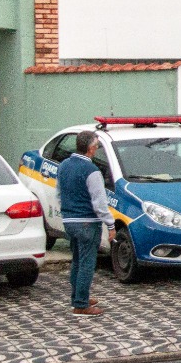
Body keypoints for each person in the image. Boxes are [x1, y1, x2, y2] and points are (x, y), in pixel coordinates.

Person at [57, 130, 114, 315]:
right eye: (96, 146)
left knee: (76, 261)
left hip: (69, 220)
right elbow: (99, 203)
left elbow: (59, 193)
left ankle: (77, 296)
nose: (97, 149)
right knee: (87, 263)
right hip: (87, 222)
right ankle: (81, 304)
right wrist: (110, 224)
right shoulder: (92, 171)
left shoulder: (64, 165)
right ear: (90, 148)